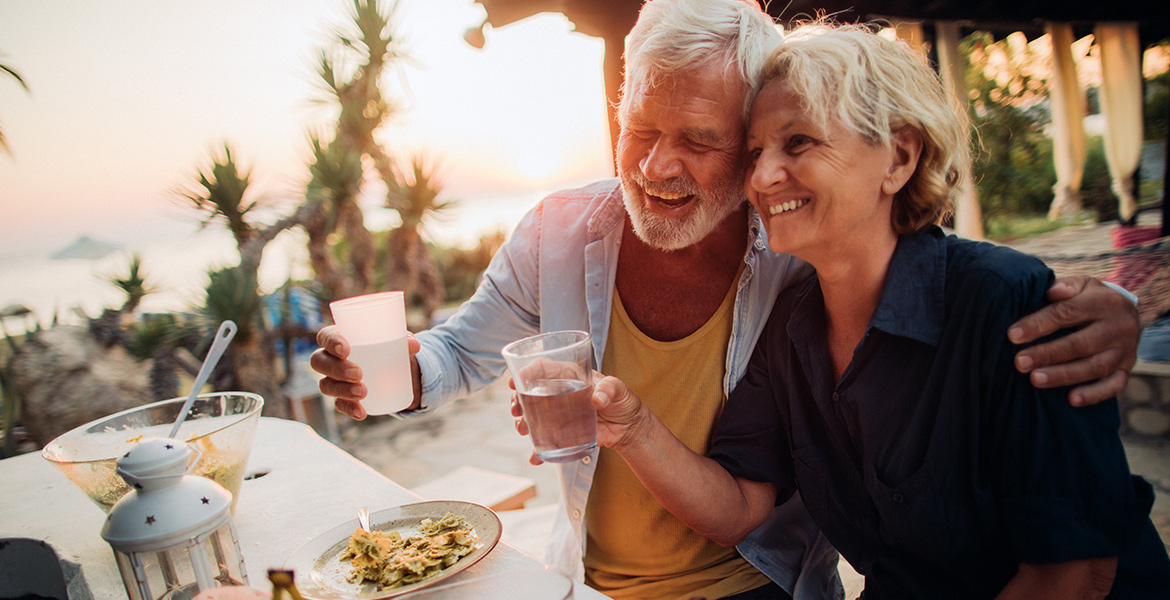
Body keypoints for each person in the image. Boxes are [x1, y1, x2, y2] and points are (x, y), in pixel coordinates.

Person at [312, 0, 1143, 597]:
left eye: (704, 142)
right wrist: (396, 368)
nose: (655, 167)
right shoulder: (575, 237)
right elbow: (456, 354)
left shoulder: (804, 261)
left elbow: (1076, 563)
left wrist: (1120, 304)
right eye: (640, 130)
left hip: (761, 585)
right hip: (595, 579)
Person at [588, 22, 1170, 599]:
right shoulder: (792, 328)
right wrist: (630, 425)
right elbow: (737, 505)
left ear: (898, 157)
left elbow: (1076, 574)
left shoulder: (1003, 301)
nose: (762, 177)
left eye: (799, 142)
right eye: (755, 151)